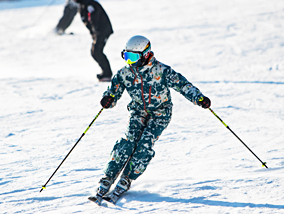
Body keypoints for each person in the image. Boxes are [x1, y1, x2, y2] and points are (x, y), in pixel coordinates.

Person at [88, 35, 211, 205]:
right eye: (126, 56)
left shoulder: (162, 71)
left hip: (160, 113)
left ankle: (127, 177)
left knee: (144, 144)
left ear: (146, 55)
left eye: (133, 57)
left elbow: (182, 85)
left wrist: (198, 98)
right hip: (138, 112)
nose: (129, 62)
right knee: (128, 141)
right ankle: (109, 176)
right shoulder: (125, 73)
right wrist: (108, 98)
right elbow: (113, 91)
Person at [68, 0, 113, 82]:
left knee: (96, 51)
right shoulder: (83, 4)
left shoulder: (89, 4)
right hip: (98, 31)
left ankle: (107, 74)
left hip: (102, 30)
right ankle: (106, 73)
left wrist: (97, 33)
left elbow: (94, 19)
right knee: (95, 51)